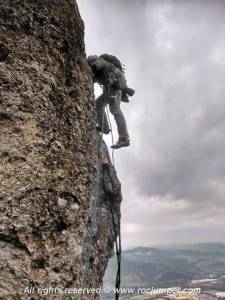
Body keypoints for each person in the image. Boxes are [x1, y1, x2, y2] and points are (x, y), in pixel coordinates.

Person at [87, 54, 133, 149]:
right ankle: (105, 127)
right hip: (110, 89)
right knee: (98, 104)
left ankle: (124, 138)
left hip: (114, 89)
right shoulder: (98, 72)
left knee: (114, 110)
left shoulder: (99, 61)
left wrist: (90, 67)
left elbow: (97, 65)